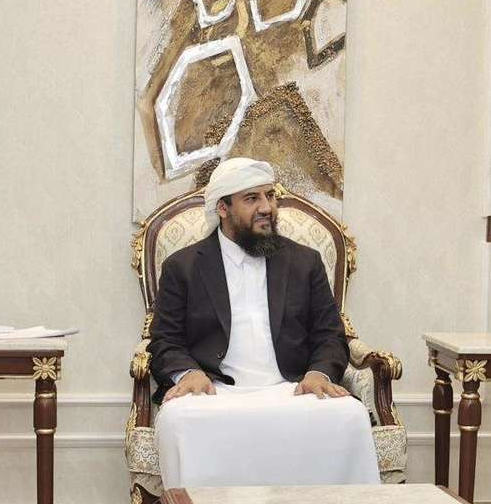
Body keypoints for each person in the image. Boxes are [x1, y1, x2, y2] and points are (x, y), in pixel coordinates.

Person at [147, 156, 379, 486]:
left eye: (270, 196)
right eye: (252, 198)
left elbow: (330, 334)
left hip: (291, 388)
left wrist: (318, 373)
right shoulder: (182, 267)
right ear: (223, 208)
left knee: (350, 415)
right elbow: (165, 340)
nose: (267, 207)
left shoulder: (305, 262)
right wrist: (189, 373)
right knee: (178, 420)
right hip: (216, 393)